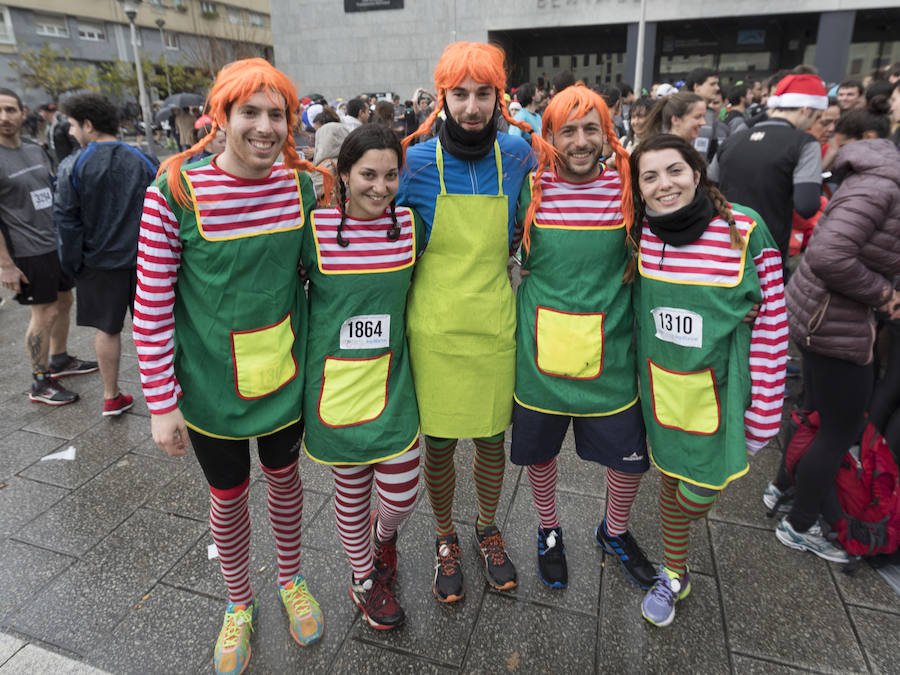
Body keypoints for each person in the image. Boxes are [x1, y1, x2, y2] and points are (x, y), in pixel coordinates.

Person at [133, 58, 332, 675]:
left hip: (283, 379)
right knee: (227, 496)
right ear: (220, 117)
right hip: (209, 388)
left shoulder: (303, 189)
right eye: (249, 112)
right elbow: (151, 305)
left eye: (277, 114)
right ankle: (239, 603)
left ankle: (291, 578)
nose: (265, 127)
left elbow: (322, 277)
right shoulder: (175, 195)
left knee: (286, 482)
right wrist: (161, 403)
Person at [398, 41, 552, 603]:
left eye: (482, 94)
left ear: (498, 97)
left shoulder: (518, 155)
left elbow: (542, 220)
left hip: (492, 319)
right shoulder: (414, 162)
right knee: (438, 442)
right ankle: (445, 536)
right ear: (442, 97)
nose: (470, 107)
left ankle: (487, 528)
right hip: (433, 326)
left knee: (491, 438)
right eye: (459, 94)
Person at [630, 134, 788, 626]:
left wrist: (764, 413)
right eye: (650, 176)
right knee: (671, 476)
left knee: (696, 494)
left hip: (722, 393)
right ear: (638, 188)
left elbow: (773, 326)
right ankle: (674, 573)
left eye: (675, 170)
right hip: (662, 390)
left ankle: (675, 557)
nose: (664, 184)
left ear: (697, 173)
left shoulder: (745, 229)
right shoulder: (641, 232)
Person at [512, 84, 655, 590]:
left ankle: (613, 530)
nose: (579, 141)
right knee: (540, 453)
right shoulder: (529, 189)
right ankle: (548, 529)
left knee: (629, 459)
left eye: (590, 129)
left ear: (606, 132)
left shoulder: (629, 188)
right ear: (549, 135)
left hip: (612, 353)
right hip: (540, 355)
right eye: (567, 130)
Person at [767, 101, 900, 562]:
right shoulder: (882, 186)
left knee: (814, 412)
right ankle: (801, 525)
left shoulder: (873, 179)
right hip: (834, 321)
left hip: (822, 315)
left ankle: (783, 487)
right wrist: (883, 293)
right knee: (838, 428)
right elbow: (828, 255)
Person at [303, 124, 423, 629]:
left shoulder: (411, 228)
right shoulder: (314, 231)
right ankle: (363, 580)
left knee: (402, 491)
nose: (380, 186)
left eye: (391, 175)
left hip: (393, 382)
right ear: (344, 174)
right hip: (336, 387)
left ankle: (384, 535)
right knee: (351, 491)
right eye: (368, 175)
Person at [55, 93, 158, 416]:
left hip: (98, 264)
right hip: (147, 261)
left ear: (88, 124)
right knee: (157, 330)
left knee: (107, 329)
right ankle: (168, 395)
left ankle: (111, 395)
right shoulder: (144, 159)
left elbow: (66, 221)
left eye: (72, 125)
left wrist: (72, 265)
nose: (70, 132)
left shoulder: (73, 165)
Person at [0, 88, 96, 407]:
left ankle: (59, 359)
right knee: (44, 312)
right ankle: (40, 381)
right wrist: (5, 265)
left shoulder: (35, 149)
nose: (4, 117)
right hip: (27, 250)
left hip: (55, 241)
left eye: (10, 109)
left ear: (23, 112)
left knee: (65, 301)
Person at [712, 74, 825, 270]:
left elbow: (709, 186)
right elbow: (807, 205)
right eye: (817, 117)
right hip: (768, 249)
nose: (815, 124)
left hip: (723, 243)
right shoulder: (804, 143)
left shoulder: (734, 139)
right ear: (805, 110)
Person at [685, 67, 727, 162]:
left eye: (717, 84)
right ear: (697, 86)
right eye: (712, 84)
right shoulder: (681, 110)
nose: (717, 88)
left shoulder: (711, 114)